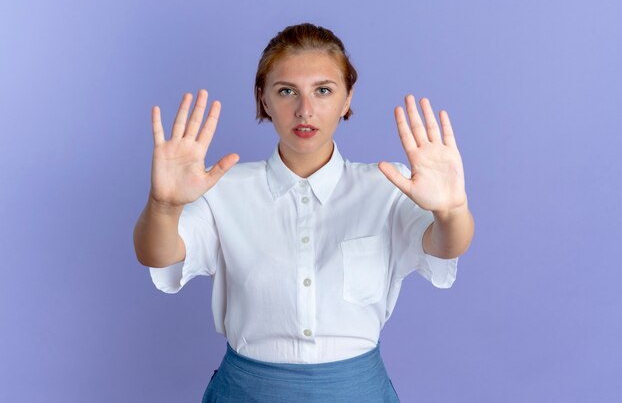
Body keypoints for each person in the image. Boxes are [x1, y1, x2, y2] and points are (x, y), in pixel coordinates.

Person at [133, 23, 474, 402]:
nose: (305, 110)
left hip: (357, 392)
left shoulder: (387, 188)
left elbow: (445, 246)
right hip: (248, 392)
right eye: (286, 92)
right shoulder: (222, 189)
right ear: (263, 99)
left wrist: (451, 210)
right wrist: (163, 206)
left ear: (347, 99)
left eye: (323, 91)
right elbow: (157, 253)